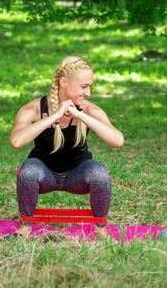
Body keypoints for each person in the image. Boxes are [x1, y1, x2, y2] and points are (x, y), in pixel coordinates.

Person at [9, 56, 124, 236]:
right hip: (43, 173)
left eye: (90, 86)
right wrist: (54, 117)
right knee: (28, 171)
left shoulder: (90, 110)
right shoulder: (34, 109)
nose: (89, 93)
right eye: (84, 86)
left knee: (99, 173)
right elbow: (16, 141)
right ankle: (25, 228)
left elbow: (118, 141)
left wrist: (82, 117)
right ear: (64, 82)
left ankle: (100, 229)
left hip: (78, 175)